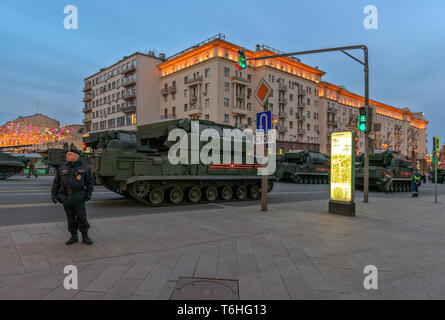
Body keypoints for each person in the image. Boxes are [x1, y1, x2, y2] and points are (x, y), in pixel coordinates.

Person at [51, 147, 94, 245]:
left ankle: (85, 236)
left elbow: (90, 182)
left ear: (76, 156)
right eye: (67, 154)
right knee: (70, 218)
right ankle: (73, 236)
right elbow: (56, 183)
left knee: (82, 217)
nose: (67, 155)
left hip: (79, 196)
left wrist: (89, 194)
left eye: (69, 154)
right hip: (66, 197)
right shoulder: (62, 168)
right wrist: (53, 194)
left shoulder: (84, 168)